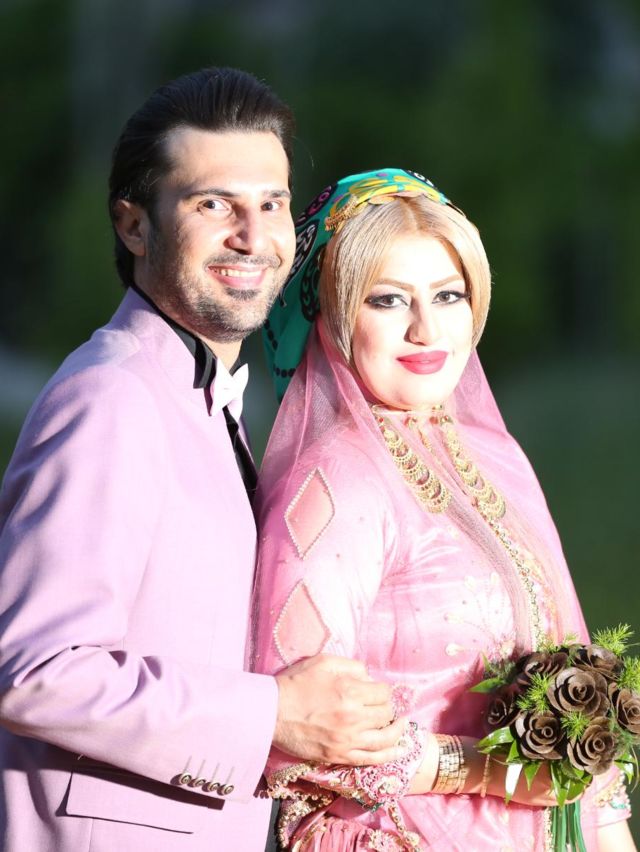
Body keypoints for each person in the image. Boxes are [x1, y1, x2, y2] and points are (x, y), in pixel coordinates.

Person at [0, 72, 405, 852]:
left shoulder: (198, 400)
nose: (253, 236)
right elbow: (38, 671)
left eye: (272, 203)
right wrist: (274, 715)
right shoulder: (112, 398)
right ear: (134, 226)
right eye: (213, 205)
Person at [250, 169, 635, 850]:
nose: (426, 328)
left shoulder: (495, 457)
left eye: (448, 295)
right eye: (388, 300)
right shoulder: (335, 478)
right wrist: (490, 768)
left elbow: (585, 747)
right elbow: (303, 736)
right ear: (334, 314)